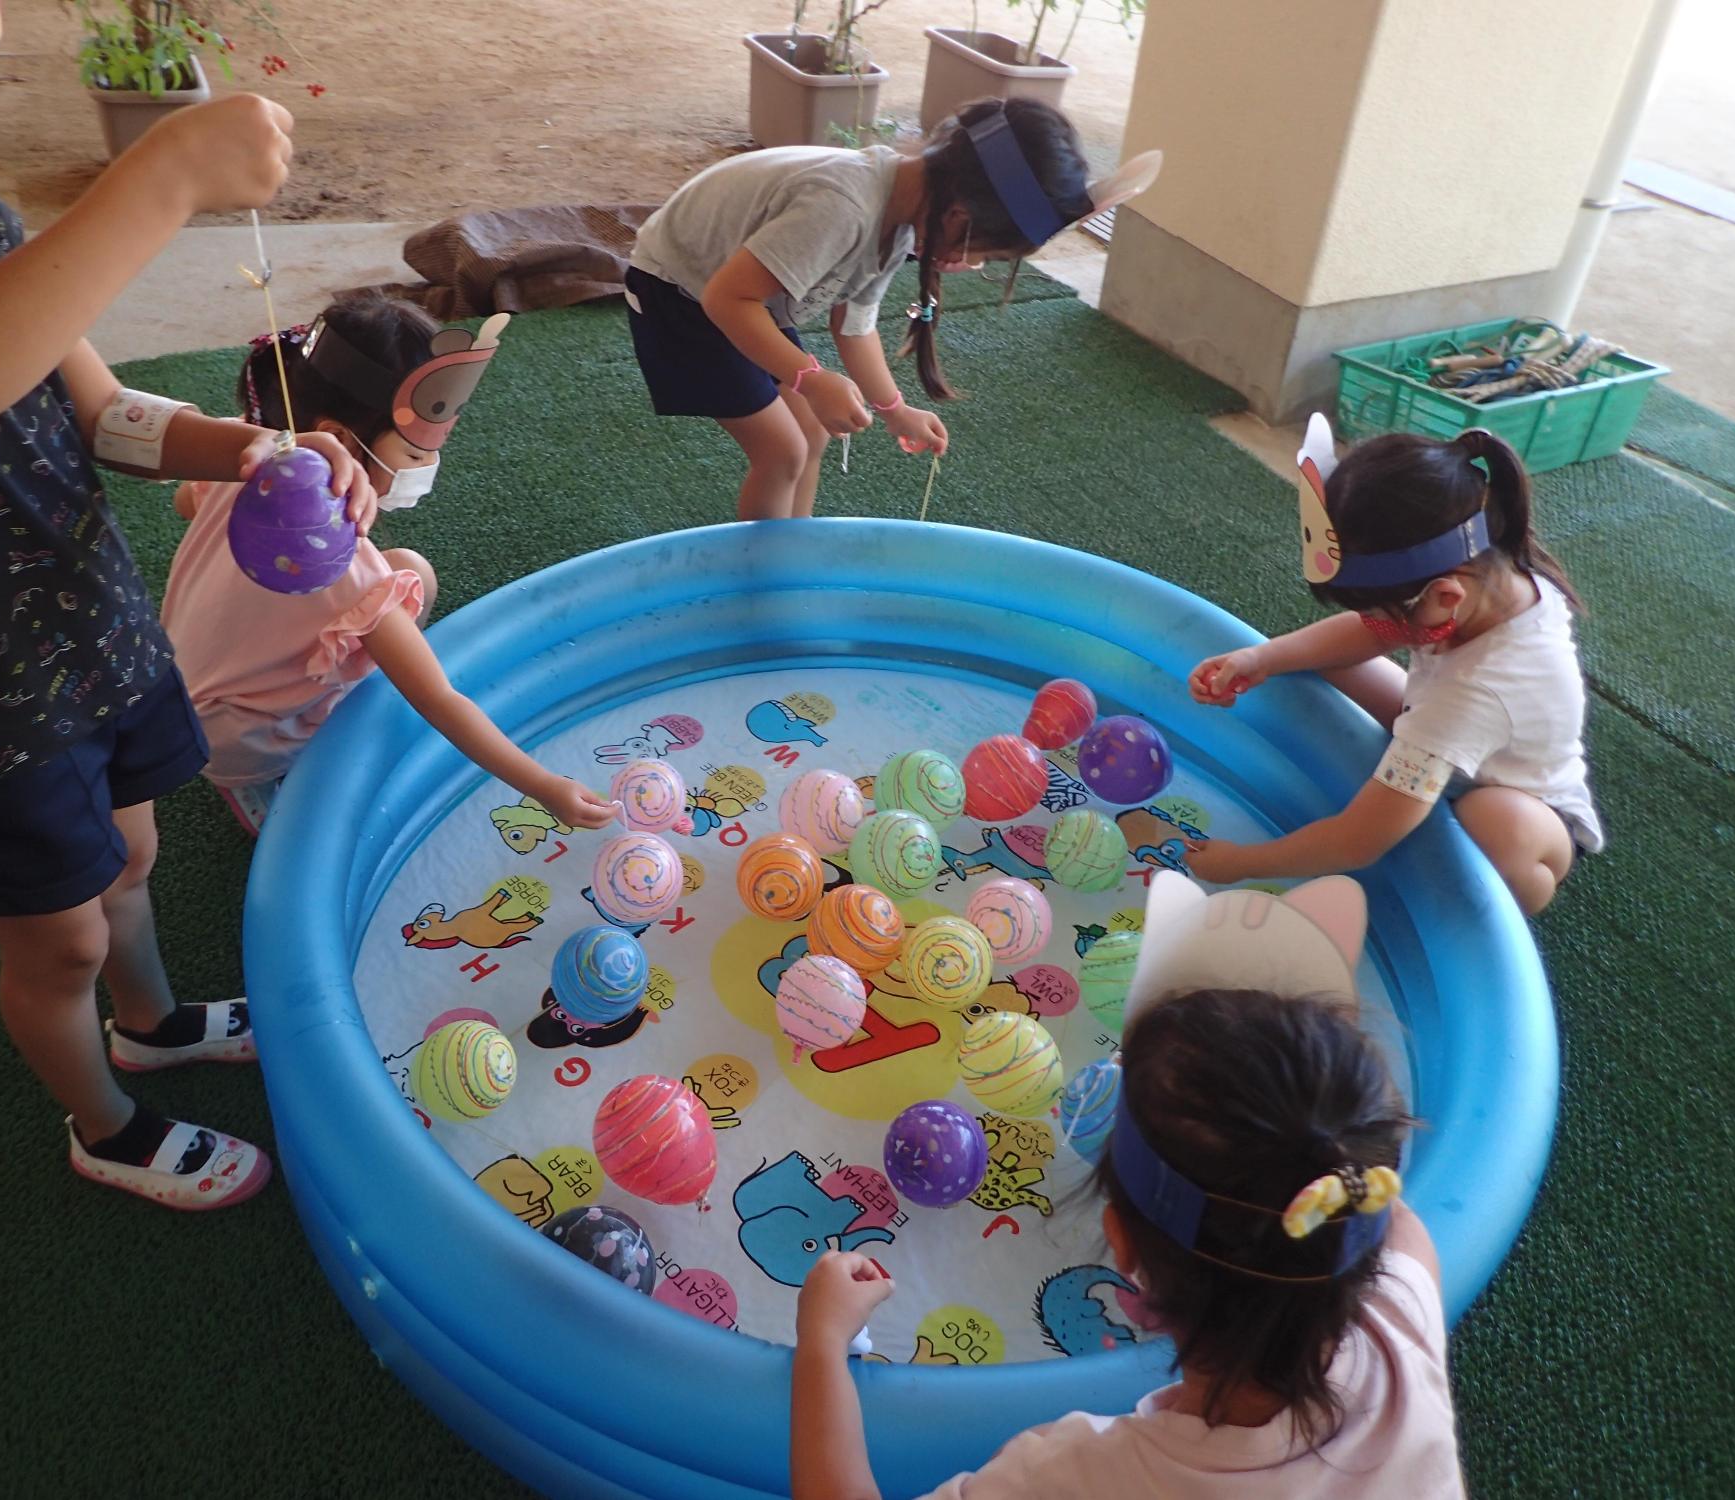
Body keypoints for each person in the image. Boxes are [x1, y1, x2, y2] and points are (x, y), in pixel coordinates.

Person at [0, 0, 375, 1207]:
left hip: (92, 623)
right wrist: (161, 177)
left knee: (132, 853)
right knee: (59, 942)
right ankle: (105, 1122)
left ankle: (148, 1023)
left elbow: (100, 410)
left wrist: (246, 448)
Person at [791, 874, 1464, 1499]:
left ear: (1121, 1245)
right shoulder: (1402, 1324)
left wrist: (823, 1347)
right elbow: (1394, 1224)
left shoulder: (1078, 1477)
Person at [161, 292, 615, 836]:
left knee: (412, 571)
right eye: (417, 455)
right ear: (336, 440)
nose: (428, 467)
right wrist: (545, 786)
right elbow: (439, 700)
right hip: (235, 744)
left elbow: (186, 500)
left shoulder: (245, 450)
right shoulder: (349, 571)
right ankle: (258, 780)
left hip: (179, 692)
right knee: (394, 609)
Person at [626, 98, 1124, 521]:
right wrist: (810, 379)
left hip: (744, 294)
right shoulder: (844, 206)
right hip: (681, 291)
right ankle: (758, 581)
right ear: (960, 215)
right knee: (782, 451)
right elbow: (726, 299)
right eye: (983, 251)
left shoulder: (905, 208)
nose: (971, 265)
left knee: (811, 431)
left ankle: (791, 556)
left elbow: (855, 325)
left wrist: (895, 410)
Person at [1186, 418, 1601, 915]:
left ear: (1446, 596)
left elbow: (1358, 842)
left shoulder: (1473, 695)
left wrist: (1241, 862)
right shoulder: (1490, 581)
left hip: (1524, 805)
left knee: (1499, 832)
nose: (1371, 623)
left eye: (1381, 612)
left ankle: (1517, 899)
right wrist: (1262, 658)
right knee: (1326, 659)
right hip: (1444, 724)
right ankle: (1416, 785)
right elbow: (1367, 634)